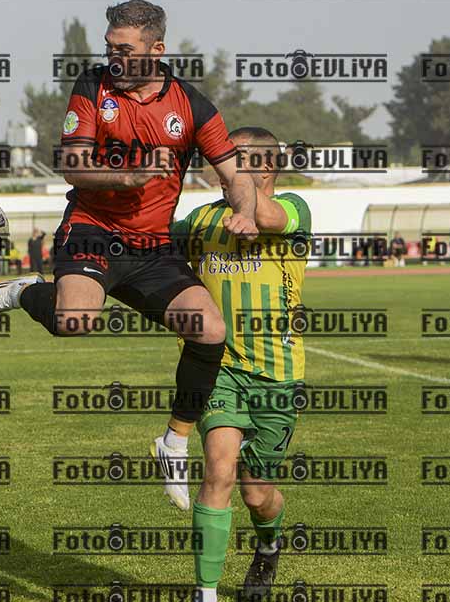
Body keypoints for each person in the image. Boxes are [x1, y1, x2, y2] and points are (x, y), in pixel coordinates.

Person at [0, 0, 258, 508]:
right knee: (74, 321)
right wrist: (129, 176)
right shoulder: (92, 86)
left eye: (125, 49)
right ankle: (26, 292)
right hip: (93, 231)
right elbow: (73, 166)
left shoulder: (192, 106)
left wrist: (247, 212)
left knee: (210, 329)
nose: (114, 58)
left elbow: (235, 176)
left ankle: (173, 442)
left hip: (152, 248)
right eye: (109, 47)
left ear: (157, 50)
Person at [172, 127, 310, 601]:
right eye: (220, 158)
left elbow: (269, 216)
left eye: (234, 159)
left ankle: (268, 546)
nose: (221, 166)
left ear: (266, 166)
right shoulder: (200, 220)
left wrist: (249, 210)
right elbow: (146, 243)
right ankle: (205, 592)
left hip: (277, 375)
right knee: (218, 470)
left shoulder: (294, 209)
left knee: (257, 493)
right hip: (219, 370)